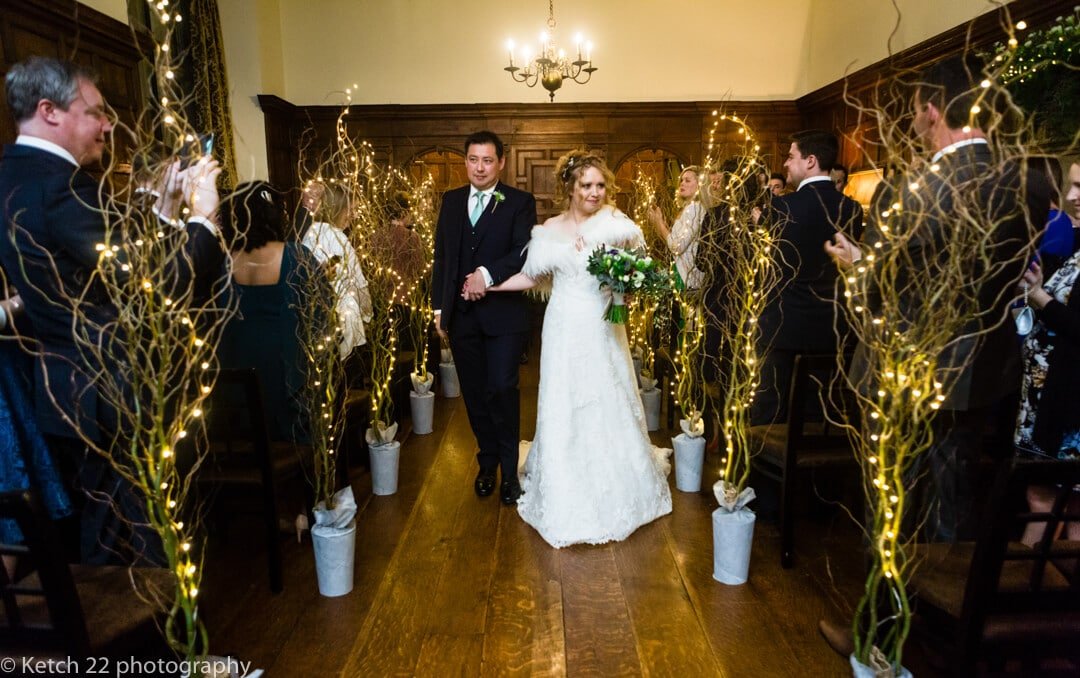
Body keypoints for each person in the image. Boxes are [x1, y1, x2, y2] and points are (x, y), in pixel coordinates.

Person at [0, 57, 223, 564]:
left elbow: (99, 274)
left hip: (70, 389)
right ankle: (154, 644)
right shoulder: (61, 187)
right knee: (139, 542)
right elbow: (157, 284)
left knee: (108, 532)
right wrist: (204, 222)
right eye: (96, 112)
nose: (107, 126)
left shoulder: (15, 176)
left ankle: (133, 643)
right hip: (111, 389)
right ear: (49, 111)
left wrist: (163, 216)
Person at [484, 149, 672, 547]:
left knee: (605, 396)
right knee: (563, 398)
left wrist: (623, 285)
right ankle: (562, 475)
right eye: (586, 185)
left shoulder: (617, 224)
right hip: (562, 327)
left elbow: (643, 269)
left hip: (601, 327)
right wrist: (489, 285)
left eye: (600, 185)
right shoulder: (548, 229)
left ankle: (616, 479)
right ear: (569, 187)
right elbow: (532, 278)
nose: (594, 192)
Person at [431, 131, 537, 505]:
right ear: (466, 161)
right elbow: (442, 256)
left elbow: (523, 253)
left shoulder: (519, 202)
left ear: (501, 163)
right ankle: (486, 461)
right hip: (462, 318)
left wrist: (485, 276)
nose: (480, 167)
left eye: (487, 160)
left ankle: (510, 471)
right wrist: (439, 309)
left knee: (502, 389)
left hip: (505, 318)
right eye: (473, 160)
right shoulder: (452, 200)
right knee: (474, 394)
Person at [752, 130, 863, 425]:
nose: (786, 164)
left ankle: (767, 471)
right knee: (818, 420)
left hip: (781, 329)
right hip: (831, 333)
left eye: (791, 156)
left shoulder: (782, 208)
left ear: (811, 161)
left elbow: (765, 264)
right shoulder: (851, 209)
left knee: (769, 416)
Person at [218, 182, 325, 444]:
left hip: (237, 395)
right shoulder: (296, 256)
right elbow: (323, 312)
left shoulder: (223, 262)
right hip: (287, 383)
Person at [1014, 161, 1080, 545]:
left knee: (1043, 497)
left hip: (1066, 403)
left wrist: (1041, 299)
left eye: (1078, 187)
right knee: (1059, 502)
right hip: (1051, 396)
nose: (1070, 197)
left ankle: (1023, 597)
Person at [300, 181, 373, 359]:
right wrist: (368, 314)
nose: (354, 215)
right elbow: (357, 283)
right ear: (338, 208)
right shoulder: (338, 239)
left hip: (315, 318)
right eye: (351, 209)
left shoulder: (310, 232)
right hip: (341, 319)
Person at [647, 166, 706, 291]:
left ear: (699, 185)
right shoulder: (687, 208)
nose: (682, 183)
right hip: (680, 271)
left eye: (688, 180)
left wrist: (660, 223)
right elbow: (671, 243)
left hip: (688, 276)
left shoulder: (694, 208)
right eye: (681, 180)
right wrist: (658, 222)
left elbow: (677, 247)